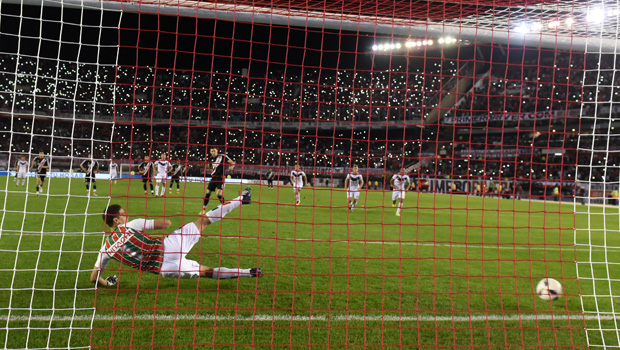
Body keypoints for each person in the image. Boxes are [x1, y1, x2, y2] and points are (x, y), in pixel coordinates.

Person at [90, 187, 262, 287]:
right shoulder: (129, 226)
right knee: (203, 222)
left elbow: (94, 278)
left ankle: (250, 273)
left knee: (206, 272)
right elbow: (165, 224)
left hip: (164, 269)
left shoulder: (106, 248)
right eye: (123, 214)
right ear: (116, 219)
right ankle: (242, 199)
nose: (126, 215)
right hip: (168, 247)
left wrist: (107, 283)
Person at [200, 147, 235, 215]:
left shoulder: (222, 156)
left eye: (214, 151)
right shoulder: (210, 158)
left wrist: (232, 166)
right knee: (208, 193)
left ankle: (226, 208)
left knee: (218, 194)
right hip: (213, 178)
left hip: (220, 178)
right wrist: (203, 166)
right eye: (212, 151)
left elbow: (232, 162)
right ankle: (203, 209)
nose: (213, 152)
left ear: (217, 151)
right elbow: (210, 166)